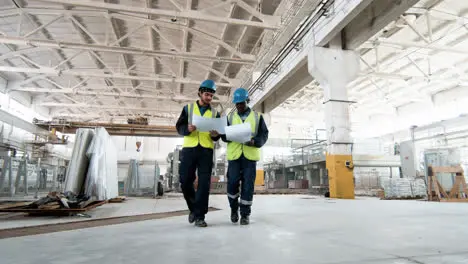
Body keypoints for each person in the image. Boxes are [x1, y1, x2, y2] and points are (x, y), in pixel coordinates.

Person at [175, 79, 221, 227]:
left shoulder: (215, 113)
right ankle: (193, 208)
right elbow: (179, 126)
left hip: (206, 151)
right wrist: (186, 130)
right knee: (185, 180)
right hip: (189, 148)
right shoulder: (188, 108)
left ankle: (200, 216)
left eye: (211, 96)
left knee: (204, 184)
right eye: (206, 94)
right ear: (200, 93)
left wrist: (215, 135)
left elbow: (218, 134)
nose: (208, 98)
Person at [221, 88, 269, 225]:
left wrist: (255, 142)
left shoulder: (257, 117)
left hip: (250, 157)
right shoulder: (230, 118)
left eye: (242, 103)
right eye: (237, 104)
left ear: (247, 101)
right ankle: (233, 209)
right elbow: (224, 137)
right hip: (234, 156)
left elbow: (264, 134)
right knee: (232, 184)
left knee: (248, 186)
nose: (239, 106)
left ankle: (245, 215)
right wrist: (223, 135)